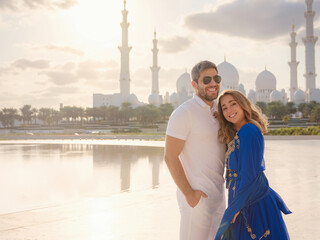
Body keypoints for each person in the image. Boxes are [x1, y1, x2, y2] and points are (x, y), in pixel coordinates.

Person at [214, 89, 291, 240]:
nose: (229, 110)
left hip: (252, 201)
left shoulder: (249, 131)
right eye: (224, 108)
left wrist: (235, 208)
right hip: (242, 198)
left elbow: (249, 174)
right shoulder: (237, 133)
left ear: (243, 105)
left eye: (233, 104)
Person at [165, 60, 226, 240]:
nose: (213, 83)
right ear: (194, 84)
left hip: (219, 198)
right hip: (196, 200)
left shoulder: (219, 110)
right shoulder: (184, 113)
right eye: (206, 80)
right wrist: (190, 195)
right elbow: (170, 157)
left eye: (216, 78)